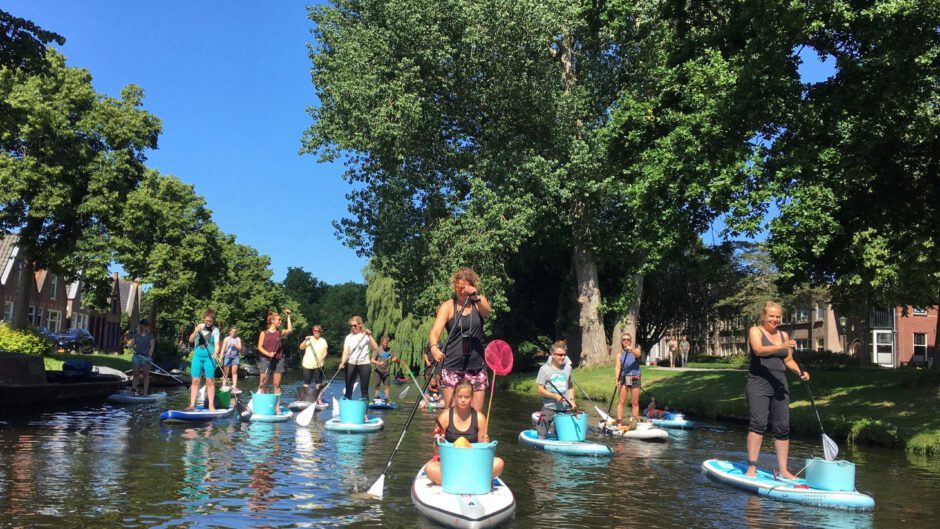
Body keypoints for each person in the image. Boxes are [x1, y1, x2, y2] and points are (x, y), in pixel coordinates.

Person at [745, 301, 810, 479]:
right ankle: (752, 467)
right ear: (763, 316)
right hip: (759, 382)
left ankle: (784, 470)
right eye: (771, 316)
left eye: (777, 316)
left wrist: (800, 372)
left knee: (782, 426)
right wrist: (781, 346)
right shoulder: (755, 331)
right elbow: (758, 350)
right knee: (758, 423)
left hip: (779, 383)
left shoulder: (783, 335)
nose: (774, 319)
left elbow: (788, 360)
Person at [428, 267, 492, 410]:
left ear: (472, 286)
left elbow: (487, 311)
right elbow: (435, 331)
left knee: (475, 414)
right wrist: (433, 347)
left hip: (476, 366)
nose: (461, 291)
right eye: (458, 288)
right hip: (452, 365)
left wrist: (475, 296)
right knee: (451, 412)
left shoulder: (479, 302)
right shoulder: (448, 306)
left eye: (465, 288)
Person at [424, 379, 504, 486]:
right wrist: (439, 441)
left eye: (467, 397)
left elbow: (483, 454)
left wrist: (485, 444)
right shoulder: (445, 416)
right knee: (430, 468)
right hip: (451, 465)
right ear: (454, 397)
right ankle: (474, 481)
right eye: (460, 396)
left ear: (471, 398)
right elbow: (436, 452)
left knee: (499, 463)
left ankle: (455, 482)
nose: (463, 400)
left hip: (473, 464)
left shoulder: (480, 418)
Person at [535, 340, 576, 438]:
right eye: (559, 355)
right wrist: (554, 396)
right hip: (549, 407)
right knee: (541, 434)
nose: (562, 357)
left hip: (566, 408)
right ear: (552, 354)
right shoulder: (544, 369)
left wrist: (572, 401)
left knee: (568, 435)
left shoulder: (568, 369)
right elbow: (540, 389)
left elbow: (570, 386)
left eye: (564, 355)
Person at [338, 315, 380, 400]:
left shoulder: (365, 336)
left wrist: (370, 336)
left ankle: (365, 413)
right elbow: (346, 351)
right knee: (348, 390)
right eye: (351, 326)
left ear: (360, 325)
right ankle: (347, 410)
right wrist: (342, 362)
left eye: (355, 325)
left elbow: (376, 348)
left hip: (364, 364)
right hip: (351, 363)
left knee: (364, 390)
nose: (353, 327)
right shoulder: (348, 337)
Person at [257, 309, 293, 406]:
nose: (280, 321)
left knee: (277, 385)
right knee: (263, 384)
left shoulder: (280, 333)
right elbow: (259, 347)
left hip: (279, 360)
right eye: (279, 320)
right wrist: (268, 353)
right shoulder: (264, 333)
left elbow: (290, 330)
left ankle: (276, 407)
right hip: (265, 359)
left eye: (281, 320)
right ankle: (264, 405)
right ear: (272, 321)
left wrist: (288, 316)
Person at [188, 309, 221, 411]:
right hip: (198, 357)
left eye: (210, 321)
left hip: (209, 358)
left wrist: (216, 353)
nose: (208, 323)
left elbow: (216, 345)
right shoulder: (199, 327)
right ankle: (192, 405)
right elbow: (190, 340)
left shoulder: (215, 330)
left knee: (210, 381)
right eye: (207, 321)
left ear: (213, 320)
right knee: (195, 381)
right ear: (204, 319)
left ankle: (211, 405)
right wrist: (196, 330)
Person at [614, 333, 642, 425]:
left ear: (631, 341)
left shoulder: (636, 350)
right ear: (621, 342)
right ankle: (619, 422)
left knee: (635, 402)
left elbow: (638, 354)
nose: (626, 341)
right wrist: (616, 380)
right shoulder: (619, 354)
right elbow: (618, 367)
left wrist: (631, 349)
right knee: (621, 401)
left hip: (635, 377)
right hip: (625, 378)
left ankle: (634, 422)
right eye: (624, 340)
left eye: (628, 339)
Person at [298, 324, 328, 405]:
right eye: (315, 331)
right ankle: (304, 399)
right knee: (306, 383)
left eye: (318, 331)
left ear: (320, 331)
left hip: (318, 365)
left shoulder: (323, 340)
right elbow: (301, 347)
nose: (316, 332)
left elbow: (325, 353)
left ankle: (319, 400)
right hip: (307, 364)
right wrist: (305, 340)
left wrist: (320, 359)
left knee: (318, 384)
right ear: (313, 331)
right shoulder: (309, 339)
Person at [128, 319, 155, 396]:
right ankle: (133, 390)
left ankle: (145, 392)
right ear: (141, 325)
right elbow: (131, 345)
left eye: (147, 325)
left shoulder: (150, 335)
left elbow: (151, 347)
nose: (147, 326)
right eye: (145, 325)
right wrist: (131, 340)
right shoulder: (136, 335)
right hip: (137, 356)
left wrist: (149, 357)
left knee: (145, 375)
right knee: (135, 374)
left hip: (146, 357)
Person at [371, 335, 398, 401]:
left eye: (387, 343)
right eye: (385, 343)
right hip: (378, 371)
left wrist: (395, 360)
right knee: (377, 386)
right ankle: (376, 398)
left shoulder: (390, 350)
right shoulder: (377, 349)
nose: (386, 344)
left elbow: (396, 360)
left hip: (386, 371)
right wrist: (379, 363)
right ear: (382, 342)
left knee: (387, 386)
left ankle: (387, 399)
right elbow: (372, 360)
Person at [220, 326, 243, 394]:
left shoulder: (238, 339)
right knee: (226, 372)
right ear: (230, 332)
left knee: (234, 372)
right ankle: (224, 385)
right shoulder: (226, 339)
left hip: (235, 357)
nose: (233, 333)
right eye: (232, 331)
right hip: (227, 356)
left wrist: (235, 345)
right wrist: (220, 357)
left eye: (235, 332)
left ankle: (234, 386)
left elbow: (240, 348)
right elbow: (223, 348)